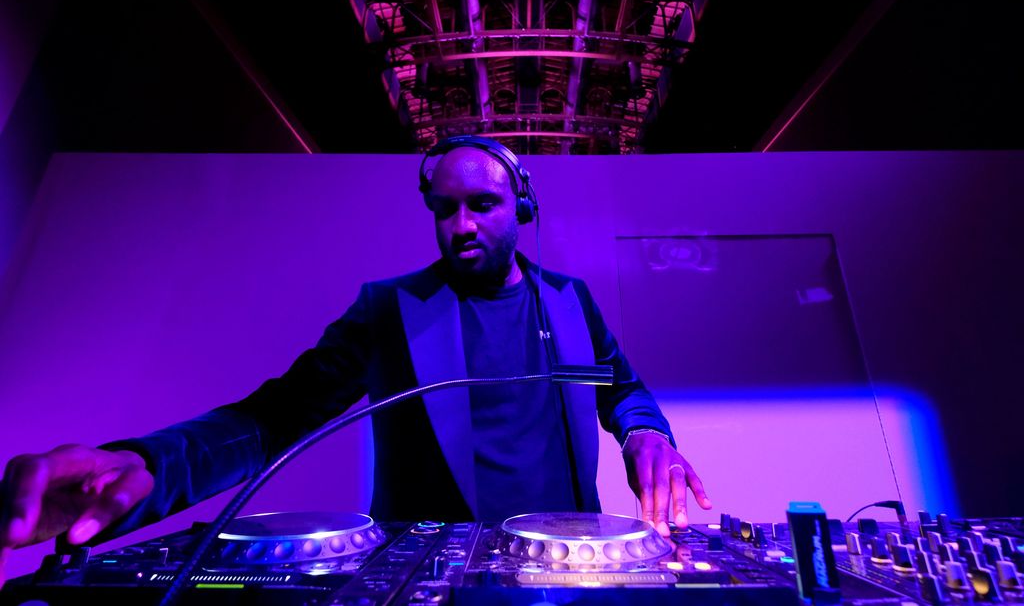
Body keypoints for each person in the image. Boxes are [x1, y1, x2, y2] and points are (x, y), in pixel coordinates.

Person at [0, 136, 710, 586]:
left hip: (562, 571)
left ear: (521, 207)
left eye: (484, 205)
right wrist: (149, 467)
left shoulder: (569, 300)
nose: (461, 226)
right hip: (434, 584)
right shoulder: (388, 308)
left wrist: (648, 433)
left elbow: (623, 388)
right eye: (446, 208)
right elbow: (273, 419)